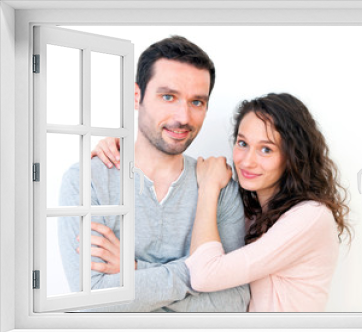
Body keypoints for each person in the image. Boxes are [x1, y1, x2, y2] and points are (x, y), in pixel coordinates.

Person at [58, 36, 250, 312]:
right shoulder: (88, 181)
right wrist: (199, 271)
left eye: (197, 102)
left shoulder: (219, 187)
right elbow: (94, 302)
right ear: (137, 97)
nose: (183, 117)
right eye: (168, 96)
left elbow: (233, 302)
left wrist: (134, 270)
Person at [186, 93, 351, 312]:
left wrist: (209, 188)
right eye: (243, 143)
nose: (247, 161)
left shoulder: (311, 216)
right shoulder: (252, 212)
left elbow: (204, 276)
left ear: (293, 155)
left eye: (266, 149)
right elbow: (195, 258)